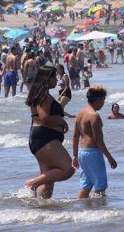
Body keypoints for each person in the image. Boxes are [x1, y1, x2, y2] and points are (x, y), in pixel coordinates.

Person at [25, 66, 74, 198]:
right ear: (47, 79)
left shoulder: (42, 94)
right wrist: (61, 121)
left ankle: (42, 209)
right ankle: (32, 184)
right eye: (54, 77)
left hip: (43, 138)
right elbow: (44, 117)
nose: (56, 80)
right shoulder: (43, 95)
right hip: (44, 138)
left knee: (47, 181)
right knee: (68, 168)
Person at [73, 85, 117, 198]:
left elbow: (75, 136)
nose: (103, 103)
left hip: (82, 152)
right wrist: (110, 158)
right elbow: (98, 140)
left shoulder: (81, 113)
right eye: (103, 100)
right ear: (97, 100)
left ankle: (82, 210)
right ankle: (98, 212)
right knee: (100, 186)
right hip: (93, 153)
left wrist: (74, 156)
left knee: (86, 185)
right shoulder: (94, 116)